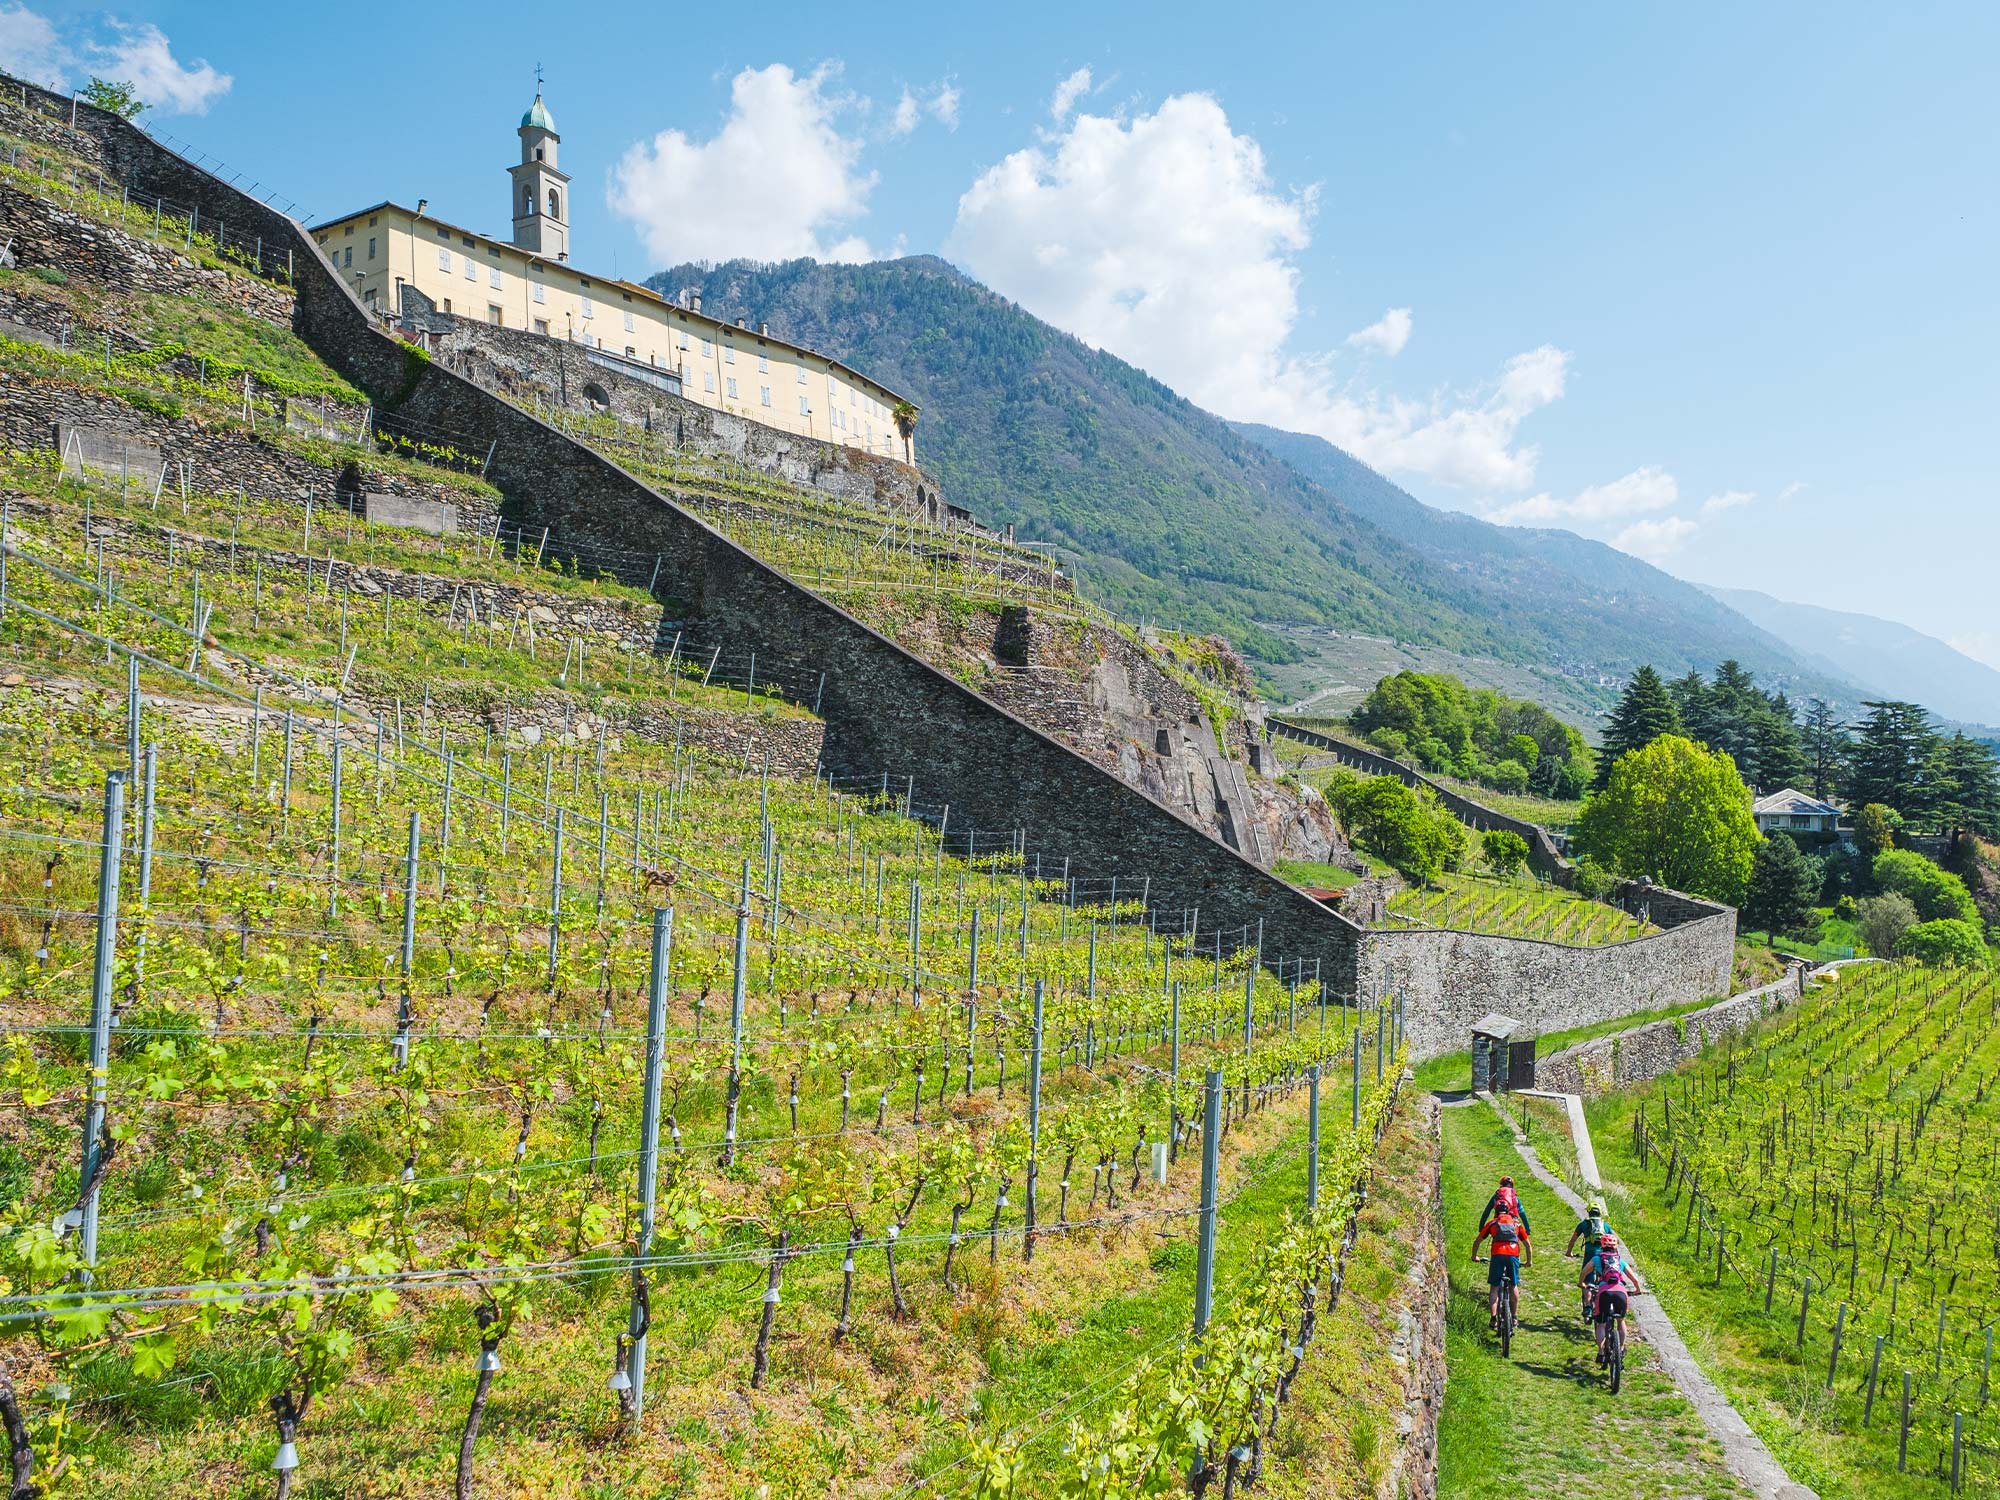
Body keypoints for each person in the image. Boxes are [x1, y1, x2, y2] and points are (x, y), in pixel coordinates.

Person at [1473, 1200, 1531, 1331]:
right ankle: (1514, 1317)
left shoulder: (1492, 1223)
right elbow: (1528, 1245)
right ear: (1509, 1211)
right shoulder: (1516, 1223)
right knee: (1514, 1285)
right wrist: (1529, 1261)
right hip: (1513, 1255)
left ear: (1496, 1211)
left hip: (1497, 1255)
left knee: (1494, 1287)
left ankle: (1494, 1318)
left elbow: (1477, 1241)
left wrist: (1474, 1256)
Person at [1589, 1232, 1642, 1364]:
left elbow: (1584, 1272)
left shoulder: (1597, 1259)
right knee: (1621, 1321)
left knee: (1601, 1324)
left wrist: (1582, 1283)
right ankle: (1621, 1348)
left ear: (1602, 1245)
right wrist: (1637, 1290)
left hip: (1603, 1293)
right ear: (1616, 1247)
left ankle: (1601, 1353)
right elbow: (1635, 1279)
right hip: (1620, 1292)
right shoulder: (1620, 1261)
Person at [1567, 1197, 1612, 1315]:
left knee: (1586, 1279)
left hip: (1590, 1254)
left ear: (1589, 1212)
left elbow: (1573, 1240)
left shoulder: (1584, 1224)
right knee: (1604, 1276)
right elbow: (1614, 1241)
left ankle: (1587, 1307)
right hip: (1604, 1255)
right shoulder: (1605, 1225)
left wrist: (1569, 1252)